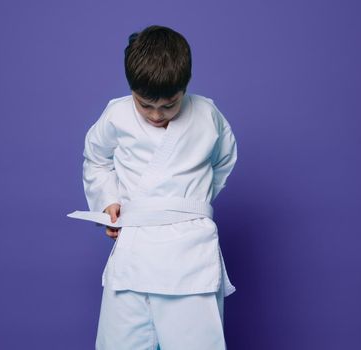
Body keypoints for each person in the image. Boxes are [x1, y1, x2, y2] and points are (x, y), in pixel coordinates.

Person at [68, 25, 238, 350]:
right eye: (145, 105)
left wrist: (189, 201)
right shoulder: (116, 114)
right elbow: (96, 158)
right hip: (135, 244)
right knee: (120, 342)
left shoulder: (208, 115)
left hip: (190, 246)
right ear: (131, 90)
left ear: (185, 87)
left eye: (169, 105)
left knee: (196, 341)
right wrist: (109, 200)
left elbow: (224, 161)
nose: (156, 115)